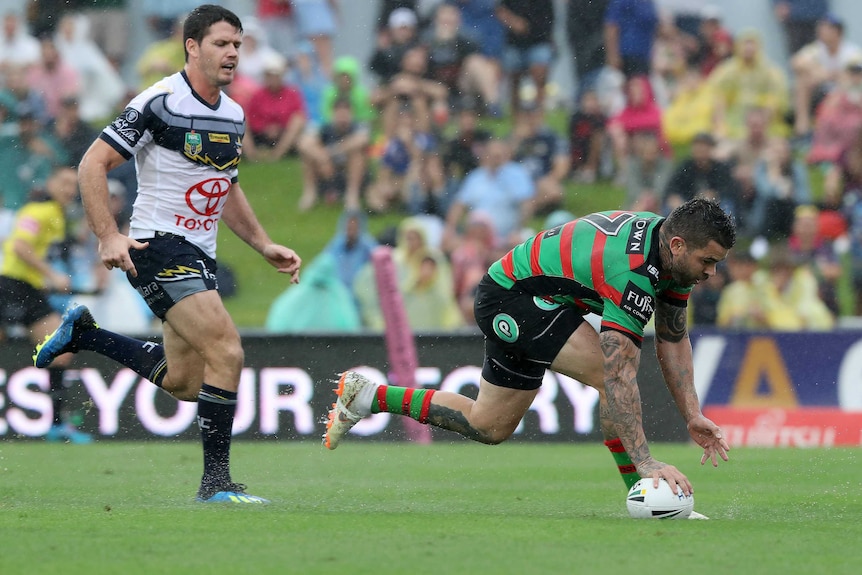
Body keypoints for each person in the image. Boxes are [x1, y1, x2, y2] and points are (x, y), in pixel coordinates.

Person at [33, 5, 302, 503]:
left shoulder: (235, 113)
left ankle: (86, 333)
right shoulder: (159, 101)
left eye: (238, 45)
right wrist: (108, 235)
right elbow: (93, 162)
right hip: (157, 245)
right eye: (222, 43)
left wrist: (263, 244)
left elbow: (227, 187)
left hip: (199, 252)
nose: (232, 53)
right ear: (192, 46)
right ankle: (216, 485)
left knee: (183, 381)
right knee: (227, 351)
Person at [326, 198, 735, 511]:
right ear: (678, 245)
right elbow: (617, 374)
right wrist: (645, 462)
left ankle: (366, 395)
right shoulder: (629, 269)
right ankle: (642, 494)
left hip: (542, 299)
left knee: (488, 426)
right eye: (708, 262)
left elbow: (672, 337)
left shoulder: (670, 257)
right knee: (607, 371)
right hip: (512, 298)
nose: (711, 273)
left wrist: (691, 413)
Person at [0, 166, 92, 443]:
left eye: (72, 184)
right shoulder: (38, 211)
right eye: (63, 182)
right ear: (49, 182)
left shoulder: (56, 214)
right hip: (9, 285)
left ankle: (55, 426)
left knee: (61, 351)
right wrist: (51, 274)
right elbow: (19, 248)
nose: (68, 189)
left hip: (28, 288)